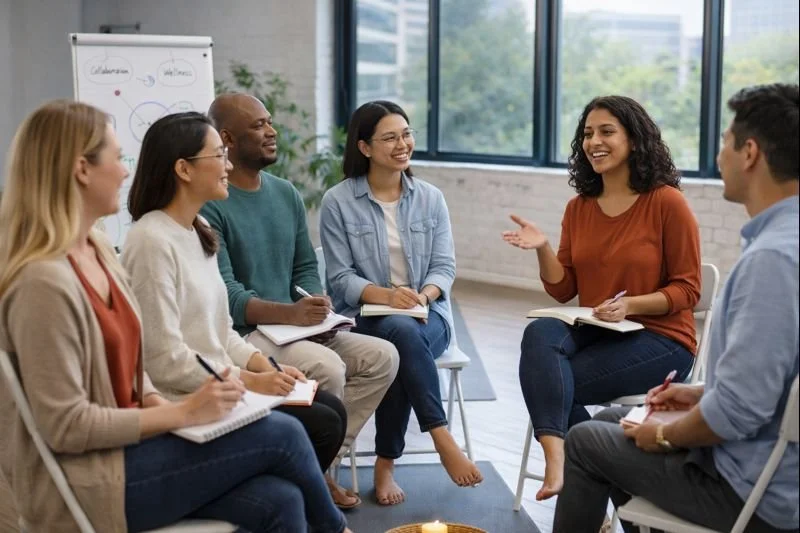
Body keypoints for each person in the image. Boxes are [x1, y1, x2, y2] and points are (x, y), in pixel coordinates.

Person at [0, 100, 351, 533]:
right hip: (92, 481)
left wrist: (171, 408)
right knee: (287, 435)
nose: (126, 171)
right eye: (115, 158)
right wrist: (183, 414)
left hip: (135, 448)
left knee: (283, 499)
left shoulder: (98, 254)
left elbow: (137, 368)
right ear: (81, 169)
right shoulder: (43, 283)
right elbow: (67, 427)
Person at [552, 83, 800, 533]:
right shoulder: (785, 243)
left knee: (589, 439)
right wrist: (703, 391)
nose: (719, 155)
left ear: (749, 152)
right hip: (763, 460)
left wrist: (663, 434)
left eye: (724, 140)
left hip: (753, 490)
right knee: (613, 418)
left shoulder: (773, 261)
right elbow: (772, 383)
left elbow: (739, 413)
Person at [121, 111, 360, 509]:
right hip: (188, 398)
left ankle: (285, 499)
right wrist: (249, 382)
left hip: (225, 386)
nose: (229, 164)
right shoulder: (150, 241)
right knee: (321, 423)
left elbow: (220, 332)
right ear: (183, 169)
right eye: (219, 155)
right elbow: (164, 359)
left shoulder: (197, 228)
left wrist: (266, 367)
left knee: (329, 407)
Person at [502, 95, 701, 501]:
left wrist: (631, 304)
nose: (594, 141)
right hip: (600, 329)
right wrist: (542, 247)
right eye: (588, 133)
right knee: (540, 333)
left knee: (555, 383)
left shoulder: (667, 202)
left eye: (607, 131)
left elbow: (688, 290)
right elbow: (563, 289)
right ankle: (559, 460)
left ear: (634, 139)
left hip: (662, 339)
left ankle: (589, 487)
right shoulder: (579, 208)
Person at [201, 93, 399, 456]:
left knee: (383, 356)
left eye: (270, 121)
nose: (272, 131)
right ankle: (314, 467)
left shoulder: (285, 193)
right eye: (258, 126)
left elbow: (305, 266)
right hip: (248, 335)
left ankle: (325, 461)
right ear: (227, 139)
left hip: (294, 328)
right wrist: (289, 314)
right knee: (329, 368)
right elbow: (227, 296)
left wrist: (310, 303)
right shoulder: (210, 204)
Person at [319, 100, 483, 505]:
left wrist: (422, 297)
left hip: (430, 316)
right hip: (366, 316)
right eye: (389, 137)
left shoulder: (431, 198)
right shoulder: (338, 202)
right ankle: (437, 437)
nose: (402, 144)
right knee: (396, 335)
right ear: (365, 147)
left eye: (406, 134)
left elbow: (444, 267)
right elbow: (340, 278)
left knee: (401, 337)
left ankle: (389, 460)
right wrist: (388, 297)